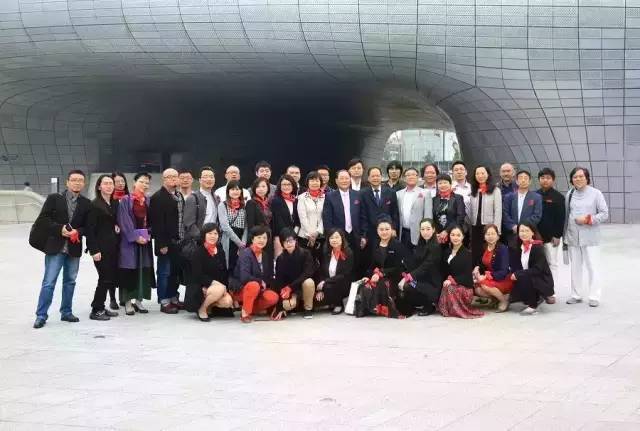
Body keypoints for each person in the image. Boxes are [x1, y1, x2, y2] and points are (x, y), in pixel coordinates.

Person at [31, 170, 91, 329]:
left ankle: (66, 312)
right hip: (55, 248)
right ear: (67, 182)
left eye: (80, 180)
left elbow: (88, 226)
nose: (77, 183)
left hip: (74, 248)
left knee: (70, 281)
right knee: (49, 282)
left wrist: (78, 231)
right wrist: (60, 229)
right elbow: (43, 219)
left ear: (84, 183)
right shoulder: (54, 199)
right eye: (74, 180)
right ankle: (41, 315)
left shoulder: (86, 203)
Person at [564, 167, 609, 307]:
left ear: (587, 178)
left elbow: (604, 213)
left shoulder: (596, 193)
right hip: (573, 236)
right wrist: (565, 236)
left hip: (590, 237)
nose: (578, 179)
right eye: (575, 177)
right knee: (575, 268)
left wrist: (588, 219)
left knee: (593, 267)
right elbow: (566, 216)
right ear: (571, 179)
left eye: (581, 176)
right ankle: (576, 295)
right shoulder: (569, 194)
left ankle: (594, 296)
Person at [116, 173, 155, 316]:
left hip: (145, 242)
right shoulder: (125, 200)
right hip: (129, 243)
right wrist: (135, 237)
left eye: (147, 183)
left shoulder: (148, 200)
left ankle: (139, 300)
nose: (144, 185)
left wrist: (149, 233)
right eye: (141, 182)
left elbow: (152, 220)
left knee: (143, 270)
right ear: (134, 183)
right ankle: (127, 302)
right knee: (128, 270)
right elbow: (124, 221)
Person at [149, 168, 185, 314]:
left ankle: (173, 297)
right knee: (164, 272)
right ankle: (164, 301)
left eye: (175, 176)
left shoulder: (178, 195)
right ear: (164, 179)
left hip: (178, 241)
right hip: (165, 242)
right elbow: (156, 224)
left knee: (175, 272)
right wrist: (161, 244)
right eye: (169, 177)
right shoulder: (158, 197)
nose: (173, 179)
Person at [228, 225, 279, 323]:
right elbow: (244, 277)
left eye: (264, 238)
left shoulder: (265, 255)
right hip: (241, 288)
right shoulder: (246, 253)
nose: (262, 240)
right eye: (259, 237)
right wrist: (260, 282)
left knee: (273, 297)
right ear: (252, 239)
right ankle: (245, 313)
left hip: (259, 289)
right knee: (253, 285)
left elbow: (268, 277)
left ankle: (251, 308)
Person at [86, 175, 120, 321]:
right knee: (104, 278)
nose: (109, 186)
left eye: (111, 183)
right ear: (99, 186)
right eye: (105, 183)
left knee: (108, 278)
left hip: (113, 247)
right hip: (100, 248)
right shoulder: (94, 205)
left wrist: (116, 226)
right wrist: (94, 250)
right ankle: (96, 309)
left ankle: (100, 306)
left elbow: (112, 221)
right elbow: (90, 230)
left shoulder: (114, 202)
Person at [359, 219, 408, 318]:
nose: (384, 232)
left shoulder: (398, 245)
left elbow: (399, 268)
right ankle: (370, 309)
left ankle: (384, 309)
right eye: (381, 229)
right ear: (377, 231)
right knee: (364, 285)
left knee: (382, 284)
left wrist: (381, 273)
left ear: (392, 230)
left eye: (387, 229)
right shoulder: (374, 245)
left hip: (393, 276)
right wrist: (369, 276)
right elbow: (371, 265)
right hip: (377, 275)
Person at [322, 170, 367, 277]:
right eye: (341, 178)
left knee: (356, 262)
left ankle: (354, 285)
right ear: (336, 181)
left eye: (347, 178)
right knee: (340, 265)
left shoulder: (357, 195)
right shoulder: (330, 196)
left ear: (350, 180)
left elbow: (363, 216)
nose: (344, 181)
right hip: (338, 237)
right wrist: (331, 237)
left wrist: (364, 235)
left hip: (355, 235)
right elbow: (327, 219)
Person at [185, 223, 234, 321]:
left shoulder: (220, 250)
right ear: (204, 235)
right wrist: (214, 283)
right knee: (219, 289)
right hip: (201, 286)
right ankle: (202, 309)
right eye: (210, 233)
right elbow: (197, 275)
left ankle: (209, 307)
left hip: (217, 287)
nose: (213, 236)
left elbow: (224, 272)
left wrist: (225, 288)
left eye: (215, 233)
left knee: (227, 302)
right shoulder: (198, 252)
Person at [397, 218, 442, 317]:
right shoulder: (421, 244)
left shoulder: (435, 247)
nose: (425, 232)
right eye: (422, 229)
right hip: (422, 278)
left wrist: (407, 277)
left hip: (432, 283)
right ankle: (419, 303)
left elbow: (425, 267)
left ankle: (429, 305)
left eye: (428, 229)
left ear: (433, 230)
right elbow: (415, 262)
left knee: (407, 285)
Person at [438, 225, 484, 318]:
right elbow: (443, 271)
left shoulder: (467, 254)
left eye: (458, 235)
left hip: (465, 288)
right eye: (453, 235)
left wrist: (451, 280)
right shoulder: (447, 252)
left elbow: (466, 276)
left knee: (449, 287)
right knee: (444, 285)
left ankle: (456, 310)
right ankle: (448, 308)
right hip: (450, 284)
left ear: (463, 237)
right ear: (449, 236)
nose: (455, 238)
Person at [509, 222, 554, 315]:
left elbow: (537, 270)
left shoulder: (538, 247)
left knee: (523, 276)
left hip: (541, 279)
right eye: (521, 231)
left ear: (533, 232)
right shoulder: (519, 246)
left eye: (527, 231)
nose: (524, 233)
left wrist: (518, 274)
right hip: (528, 276)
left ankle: (533, 305)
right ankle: (533, 298)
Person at [274, 228, 317, 319]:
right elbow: (279, 281)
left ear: (295, 241)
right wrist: (280, 307)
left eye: (291, 240)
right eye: (285, 241)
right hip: (291, 291)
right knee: (286, 305)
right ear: (282, 244)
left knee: (309, 282)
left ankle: (308, 309)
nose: (289, 243)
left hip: (303, 287)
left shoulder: (305, 253)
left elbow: (308, 273)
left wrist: (291, 287)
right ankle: (295, 305)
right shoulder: (280, 259)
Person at [536, 168, 565, 288]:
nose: (545, 180)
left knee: (552, 263)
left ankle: (552, 290)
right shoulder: (534, 195)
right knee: (538, 264)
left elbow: (561, 218)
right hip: (536, 237)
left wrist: (557, 235)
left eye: (548, 178)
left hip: (551, 238)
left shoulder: (558, 197)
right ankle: (540, 288)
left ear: (553, 180)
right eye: (542, 178)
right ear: (539, 180)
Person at [472, 224, 513, 312]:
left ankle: (504, 301)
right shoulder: (484, 247)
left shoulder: (502, 249)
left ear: (498, 236)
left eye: (493, 234)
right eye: (488, 234)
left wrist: (487, 276)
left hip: (502, 278)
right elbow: (480, 263)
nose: (490, 236)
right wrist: (477, 268)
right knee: (478, 289)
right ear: (484, 236)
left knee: (484, 284)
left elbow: (504, 271)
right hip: (490, 278)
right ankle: (496, 299)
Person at [315, 228, 354, 315]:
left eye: (337, 237)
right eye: (331, 238)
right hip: (328, 283)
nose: (334, 240)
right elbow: (321, 271)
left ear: (342, 238)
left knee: (330, 286)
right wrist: (320, 289)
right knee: (324, 289)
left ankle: (338, 304)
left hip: (343, 283)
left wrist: (325, 282)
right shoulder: (326, 252)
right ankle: (331, 301)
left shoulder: (348, 252)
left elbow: (345, 274)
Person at [468, 165, 502, 265]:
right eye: (477, 173)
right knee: (475, 251)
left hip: (489, 226)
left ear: (488, 175)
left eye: (483, 173)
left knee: (488, 251)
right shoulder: (473, 190)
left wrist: (497, 230)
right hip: (475, 226)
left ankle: (486, 271)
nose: (480, 175)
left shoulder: (495, 190)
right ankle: (476, 269)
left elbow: (498, 210)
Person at [502, 170, 542, 247]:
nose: (523, 180)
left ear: (530, 181)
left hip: (529, 233)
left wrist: (523, 227)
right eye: (520, 178)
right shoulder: (509, 197)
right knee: (513, 253)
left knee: (529, 253)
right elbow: (505, 213)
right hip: (513, 233)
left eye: (525, 178)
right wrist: (513, 226)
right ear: (516, 181)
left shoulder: (536, 197)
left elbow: (537, 215)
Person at [396, 168, 432, 251]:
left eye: (413, 175)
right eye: (408, 175)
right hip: (402, 233)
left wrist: (426, 232)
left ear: (417, 177)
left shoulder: (425, 193)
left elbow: (428, 215)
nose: (411, 177)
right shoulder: (398, 194)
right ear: (404, 178)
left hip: (418, 233)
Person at [218, 180, 248, 273]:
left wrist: (243, 242)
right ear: (228, 191)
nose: (235, 191)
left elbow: (246, 226)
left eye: (237, 189)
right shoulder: (223, 205)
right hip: (229, 238)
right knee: (228, 265)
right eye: (233, 189)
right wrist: (239, 243)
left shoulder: (244, 206)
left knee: (239, 266)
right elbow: (225, 226)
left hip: (241, 238)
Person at [110, 171, 130, 309]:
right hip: (113, 239)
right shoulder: (109, 199)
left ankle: (124, 297)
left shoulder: (129, 198)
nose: (120, 183)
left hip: (126, 239)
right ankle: (112, 298)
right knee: (112, 269)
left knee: (125, 269)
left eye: (122, 181)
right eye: (117, 181)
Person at [184, 166, 219, 241]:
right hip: (199, 240)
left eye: (211, 177)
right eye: (205, 177)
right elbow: (189, 223)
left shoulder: (216, 198)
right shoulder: (192, 198)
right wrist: (201, 238)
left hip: (213, 240)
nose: (209, 179)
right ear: (200, 180)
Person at [297, 171, 326, 260]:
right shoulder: (301, 197)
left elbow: (325, 216)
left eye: (317, 181)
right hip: (305, 236)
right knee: (307, 262)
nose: (314, 183)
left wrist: (317, 232)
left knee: (321, 262)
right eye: (312, 180)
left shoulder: (325, 197)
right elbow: (302, 217)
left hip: (321, 236)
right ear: (307, 182)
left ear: (320, 182)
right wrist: (311, 235)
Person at [271, 174, 300, 257]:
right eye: (284, 184)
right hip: (280, 237)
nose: (286, 187)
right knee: (280, 260)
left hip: (294, 236)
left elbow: (297, 220)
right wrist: (287, 236)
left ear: (293, 186)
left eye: (289, 184)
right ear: (280, 186)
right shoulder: (276, 200)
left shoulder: (295, 200)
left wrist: (294, 234)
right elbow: (277, 221)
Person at [433, 174, 466, 245]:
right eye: (440, 183)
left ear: (450, 184)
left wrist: (446, 231)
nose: (443, 185)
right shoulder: (434, 199)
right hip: (438, 235)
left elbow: (460, 217)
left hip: (454, 233)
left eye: (445, 182)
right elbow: (433, 218)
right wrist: (436, 233)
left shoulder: (458, 198)